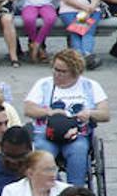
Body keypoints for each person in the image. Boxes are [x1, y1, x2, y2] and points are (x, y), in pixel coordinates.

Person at [22, 49, 109, 187]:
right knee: (43, 152)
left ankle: (75, 189)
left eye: (62, 71)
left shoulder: (90, 86)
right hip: (47, 133)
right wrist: (48, 112)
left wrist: (90, 113)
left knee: (78, 150)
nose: (57, 74)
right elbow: (28, 109)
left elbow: (105, 114)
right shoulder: (44, 84)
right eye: (55, 69)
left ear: (75, 72)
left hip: (77, 134)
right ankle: (51, 186)